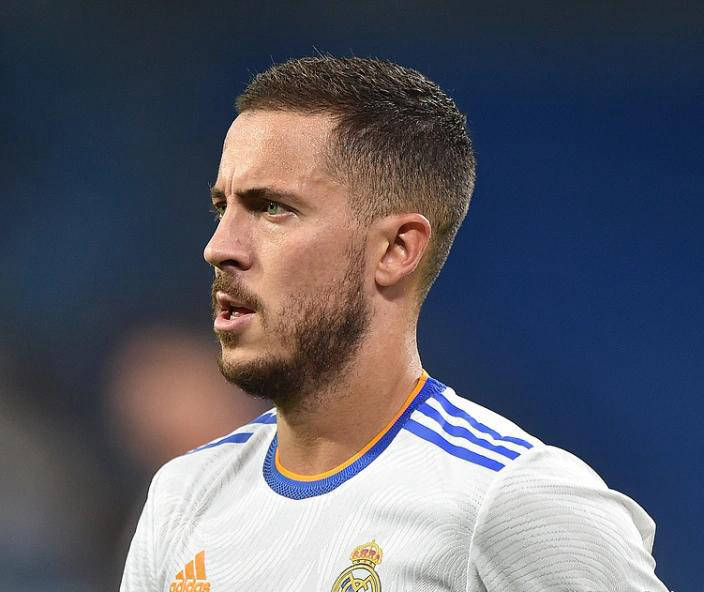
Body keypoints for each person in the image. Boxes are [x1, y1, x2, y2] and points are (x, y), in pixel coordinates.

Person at [120, 56, 667, 591]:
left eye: (271, 208)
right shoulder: (185, 495)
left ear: (396, 250)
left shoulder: (511, 500)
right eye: (223, 208)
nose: (219, 247)